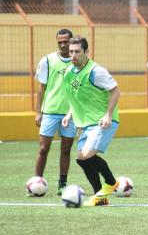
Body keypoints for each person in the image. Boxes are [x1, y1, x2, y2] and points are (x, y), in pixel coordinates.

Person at [62, 36, 120, 206]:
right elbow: (77, 99)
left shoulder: (96, 71)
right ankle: (99, 197)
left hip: (102, 121)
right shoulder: (69, 72)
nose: (73, 55)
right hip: (86, 123)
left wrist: (108, 114)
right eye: (71, 52)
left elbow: (115, 90)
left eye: (77, 52)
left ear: (86, 52)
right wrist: (69, 115)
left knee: (87, 155)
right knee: (81, 159)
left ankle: (111, 182)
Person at [33, 28, 76, 196]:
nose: (63, 44)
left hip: (70, 114)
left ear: (72, 41)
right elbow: (41, 88)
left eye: (66, 41)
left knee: (66, 149)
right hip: (50, 111)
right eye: (60, 42)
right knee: (43, 148)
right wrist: (39, 112)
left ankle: (62, 184)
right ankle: (36, 182)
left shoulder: (77, 60)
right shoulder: (47, 60)